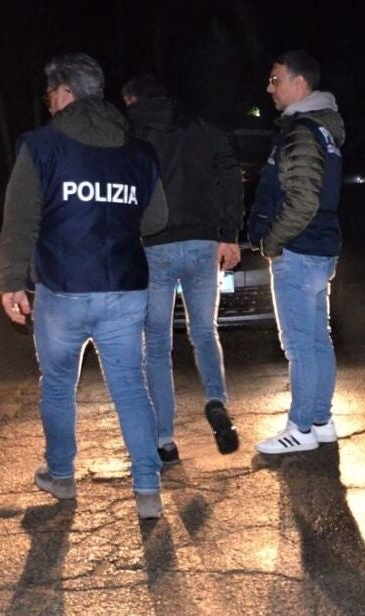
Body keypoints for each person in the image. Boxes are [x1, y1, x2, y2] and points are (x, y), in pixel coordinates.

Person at [0, 53, 170, 519]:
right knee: (130, 387)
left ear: (67, 92)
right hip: (126, 287)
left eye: (51, 94)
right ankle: (147, 487)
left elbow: (20, 220)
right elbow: (156, 219)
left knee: (57, 386)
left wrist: (11, 281)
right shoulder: (139, 152)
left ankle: (61, 476)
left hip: (64, 288)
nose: (49, 104)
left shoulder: (41, 147)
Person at [121, 74, 244, 464]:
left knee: (157, 344)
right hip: (203, 241)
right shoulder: (200, 125)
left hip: (154, 245)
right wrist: (229, 233)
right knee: (204, 331)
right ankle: (215, 400)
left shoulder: (131, 132)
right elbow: (230, 174)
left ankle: (164, 439)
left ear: (132, 99)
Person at [247, 50, 345, 455]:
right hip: (317, 247)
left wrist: (272, 241)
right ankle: (320, 420)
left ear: (299, 82)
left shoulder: (303, 131)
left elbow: (302, 199)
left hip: (300, 250)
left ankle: (300, 426)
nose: (269, 88)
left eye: (276, 80)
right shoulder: (319, 129)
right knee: (317, 339)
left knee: (300, 344)